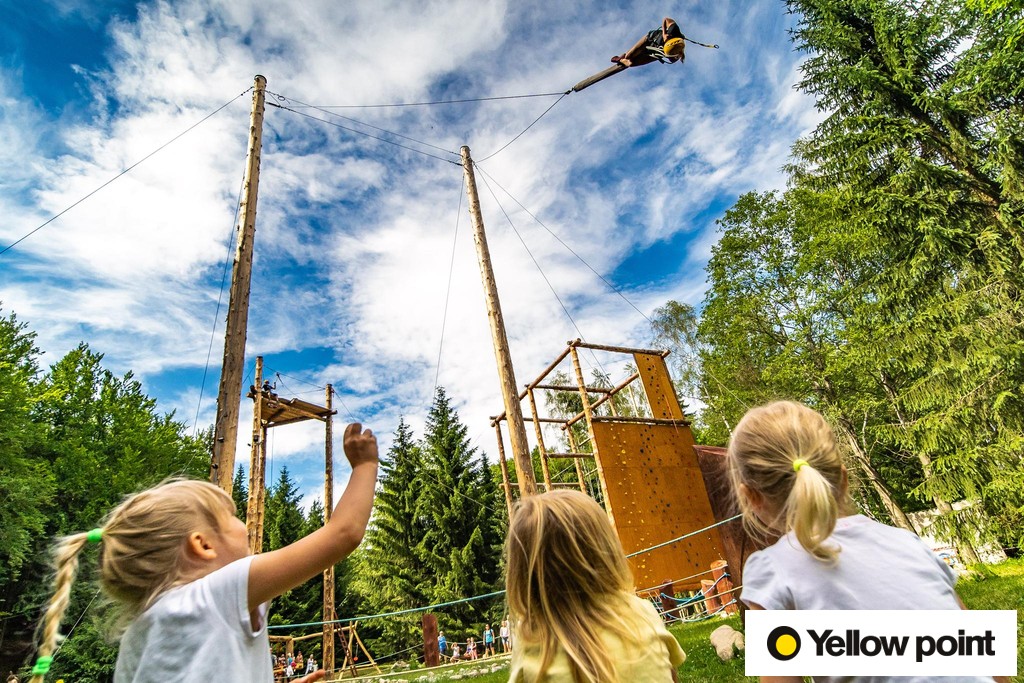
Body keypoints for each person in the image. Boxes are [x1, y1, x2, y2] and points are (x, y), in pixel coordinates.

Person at [27, 423, 379, 683]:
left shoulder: (142, 631)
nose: (244, 525)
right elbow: (343, 534)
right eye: (232, 517)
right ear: (203, 545)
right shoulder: (213, 595)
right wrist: (364, 467)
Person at [729, 401, 1002, 683]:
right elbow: (982, 653)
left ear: (750, 497)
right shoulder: (908, 542)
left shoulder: (771, 568)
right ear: (843, 479)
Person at [506, 490, 685, 682]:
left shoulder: (531, 638)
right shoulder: (642, 612)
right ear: (607, 550)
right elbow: (670, 675)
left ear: (522, 573)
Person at [611, 17, 685, 68]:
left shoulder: (674, 56)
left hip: (654, 53)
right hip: (649, 39)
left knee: (631, 63)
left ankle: (621, 61)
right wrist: (664, 34)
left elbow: (674, 57)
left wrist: (680, 55)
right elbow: (666, 19)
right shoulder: (674, 31)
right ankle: (622, 57)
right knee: (628, 56)